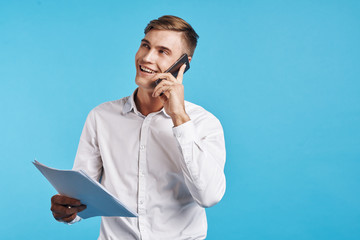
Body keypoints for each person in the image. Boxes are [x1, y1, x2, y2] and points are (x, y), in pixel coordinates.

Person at [50, 15, 226, 240]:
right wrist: (67, 210)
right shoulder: (101, 117)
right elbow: (84, 195)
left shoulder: (204, 123)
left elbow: (208, 196)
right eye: (145, 45)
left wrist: (179, 117)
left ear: (182, 64)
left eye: (162, 51)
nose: (147, 57)